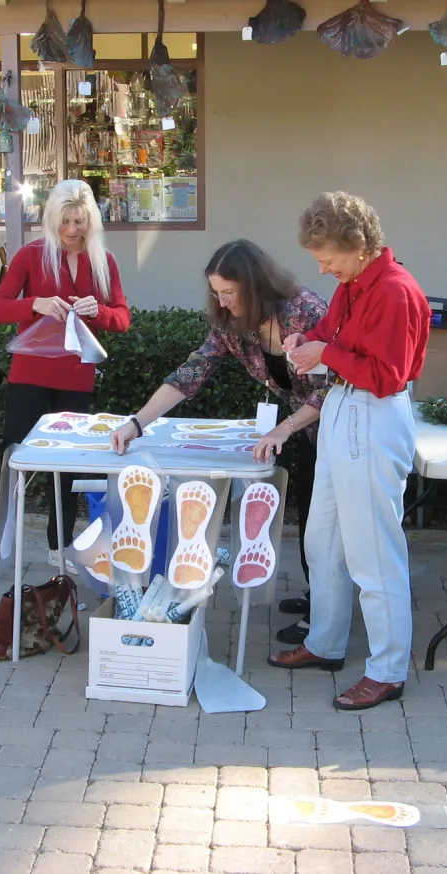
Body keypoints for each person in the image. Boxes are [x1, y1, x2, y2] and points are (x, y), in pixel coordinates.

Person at [110, 240, 330, 641]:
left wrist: (285, 428)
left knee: (322, 521)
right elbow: (192, 372)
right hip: (304, 425)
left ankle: (325, 616)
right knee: (310, 508)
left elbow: (333, 386)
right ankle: (319, 595)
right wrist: (137, 424)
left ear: (254, 285)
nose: (223, 301)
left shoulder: (305, 310)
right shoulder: (232, 323)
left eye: (229, 292)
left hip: (335, 424)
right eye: (217, 293)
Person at [268, 192, 430, 711]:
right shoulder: (356, 283)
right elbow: (328, 334)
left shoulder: (395, 291)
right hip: (344, 407)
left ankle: (387, 670)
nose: (321, 267)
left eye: (328, 257)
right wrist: (304, 343)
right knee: (324, 540)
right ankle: (326, 642)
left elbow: (387, 374)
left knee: (373, 552)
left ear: (358, 246)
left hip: (374, 415)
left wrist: (324, 353)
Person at [0, 179, 130, 589]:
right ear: (52, 219)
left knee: (69, 466)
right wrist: (34, 303)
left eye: (80, 221)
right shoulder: (32, 255)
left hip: (76, 375)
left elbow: (122, 318)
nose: (73, 230)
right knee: (10, 460)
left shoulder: (102, 261)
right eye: (66, 221)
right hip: (31, 373)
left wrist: (97, 312)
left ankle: (59, 546)